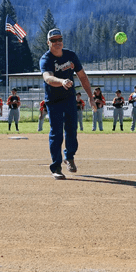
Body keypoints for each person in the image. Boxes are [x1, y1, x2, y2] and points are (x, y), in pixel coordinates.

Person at [39, 28, 94, 179]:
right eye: (53, 40)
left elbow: (82, 76)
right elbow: (48, 78)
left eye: (59, 39)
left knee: (71, 129)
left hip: (69, 98)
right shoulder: (46, 59)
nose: (57, 43)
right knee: (56, 133)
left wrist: (90, 96)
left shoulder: (71, 56)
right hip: (53, 100)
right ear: (48, 43)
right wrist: (62, 81)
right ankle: (56, 167)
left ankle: (69, 156)